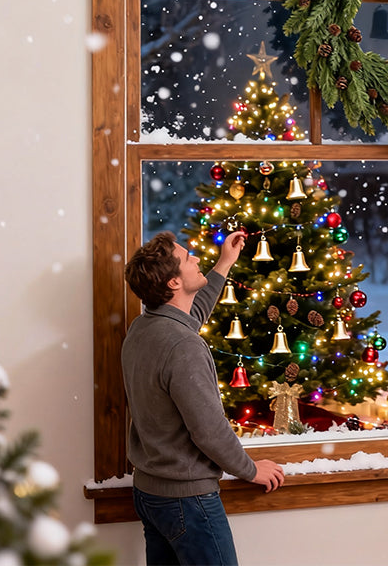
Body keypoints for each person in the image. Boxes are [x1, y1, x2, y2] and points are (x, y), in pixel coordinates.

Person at [122, 230, 284, 566]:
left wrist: (225, 263)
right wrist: (250, 469)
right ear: (172, 283)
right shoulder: (182, 346)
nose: (196, 258)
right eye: (186, 258)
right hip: (187, 500)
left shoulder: (144, 328)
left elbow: (190, 316)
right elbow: (209, 429)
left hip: (150, 493)